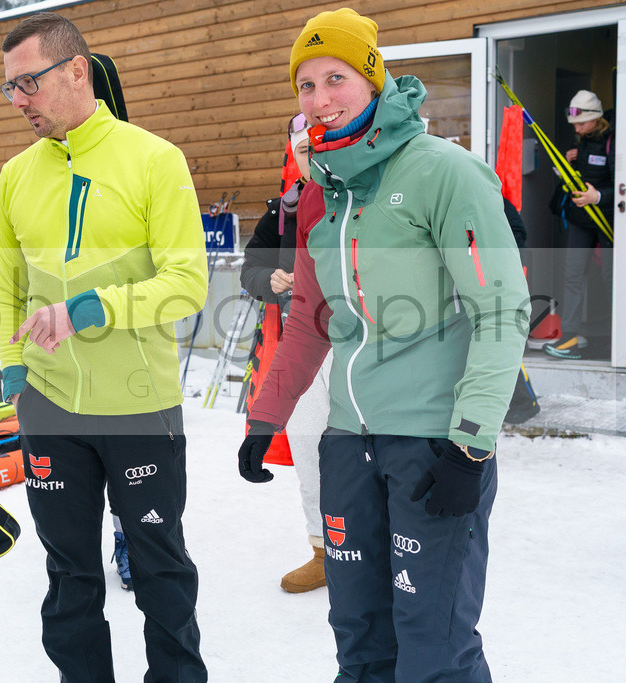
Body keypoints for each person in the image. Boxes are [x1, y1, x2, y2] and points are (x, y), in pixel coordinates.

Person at [237, 8, 529, 680]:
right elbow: (312, 320)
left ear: (373, 80)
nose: (319, 98)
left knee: (433, 646)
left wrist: (470, 443)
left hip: (431, 445)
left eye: (335, 77)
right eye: (305, 86)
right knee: (360, 637)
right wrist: (266, 416)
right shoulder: (321, 194)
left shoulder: (444, 172)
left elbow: (501, 309)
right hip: (348, 446)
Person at [0, 12, 208, 682]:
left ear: (77, 70)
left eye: (29, 81)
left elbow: (186, 284)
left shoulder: (152, 159)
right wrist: (12, 365)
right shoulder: (14, 176)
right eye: (10, 88)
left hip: (139, 408)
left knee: (158, 567)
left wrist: (89, 310)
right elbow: (6, 282)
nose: (19, 99)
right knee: (69, 574)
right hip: (50, 410)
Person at [240, 115, 330, 594]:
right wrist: (267, 282)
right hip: (300, 345)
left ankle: (377, 551)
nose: (310, 157)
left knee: (370, 451)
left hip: (363, 347)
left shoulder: (368, 201)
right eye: (301, 150)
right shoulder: (283, 210)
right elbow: (250, 266)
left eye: (315, 145)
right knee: (311, 446)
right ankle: (323, 550)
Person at [545, 90, 614, 360]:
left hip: (608, 218)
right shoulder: (582, 140)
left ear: (596, 118)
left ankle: (616, 334)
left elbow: (618, 185)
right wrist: (566, 168)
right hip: (581, 219)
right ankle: (571, 335)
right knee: (572, 274)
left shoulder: (613, 141)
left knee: (612, 278)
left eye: (582, 122)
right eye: (574, 123)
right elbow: (577, 179)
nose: (577, 127)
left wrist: (598, 196)